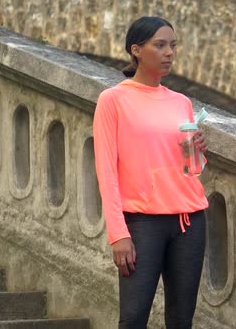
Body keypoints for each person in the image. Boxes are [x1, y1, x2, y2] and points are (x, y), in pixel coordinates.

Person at [93, 16, 209, 329]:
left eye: (172, 45)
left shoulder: (181, 102)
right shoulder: (113, 100)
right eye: (159, 45)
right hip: (142, 223)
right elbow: (106, 170)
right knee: (132, 319)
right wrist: (118, 234)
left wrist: (198, 149)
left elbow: (192, 170)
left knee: (181, 320)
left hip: (190, 221)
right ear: (136, 51)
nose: (169, 52)